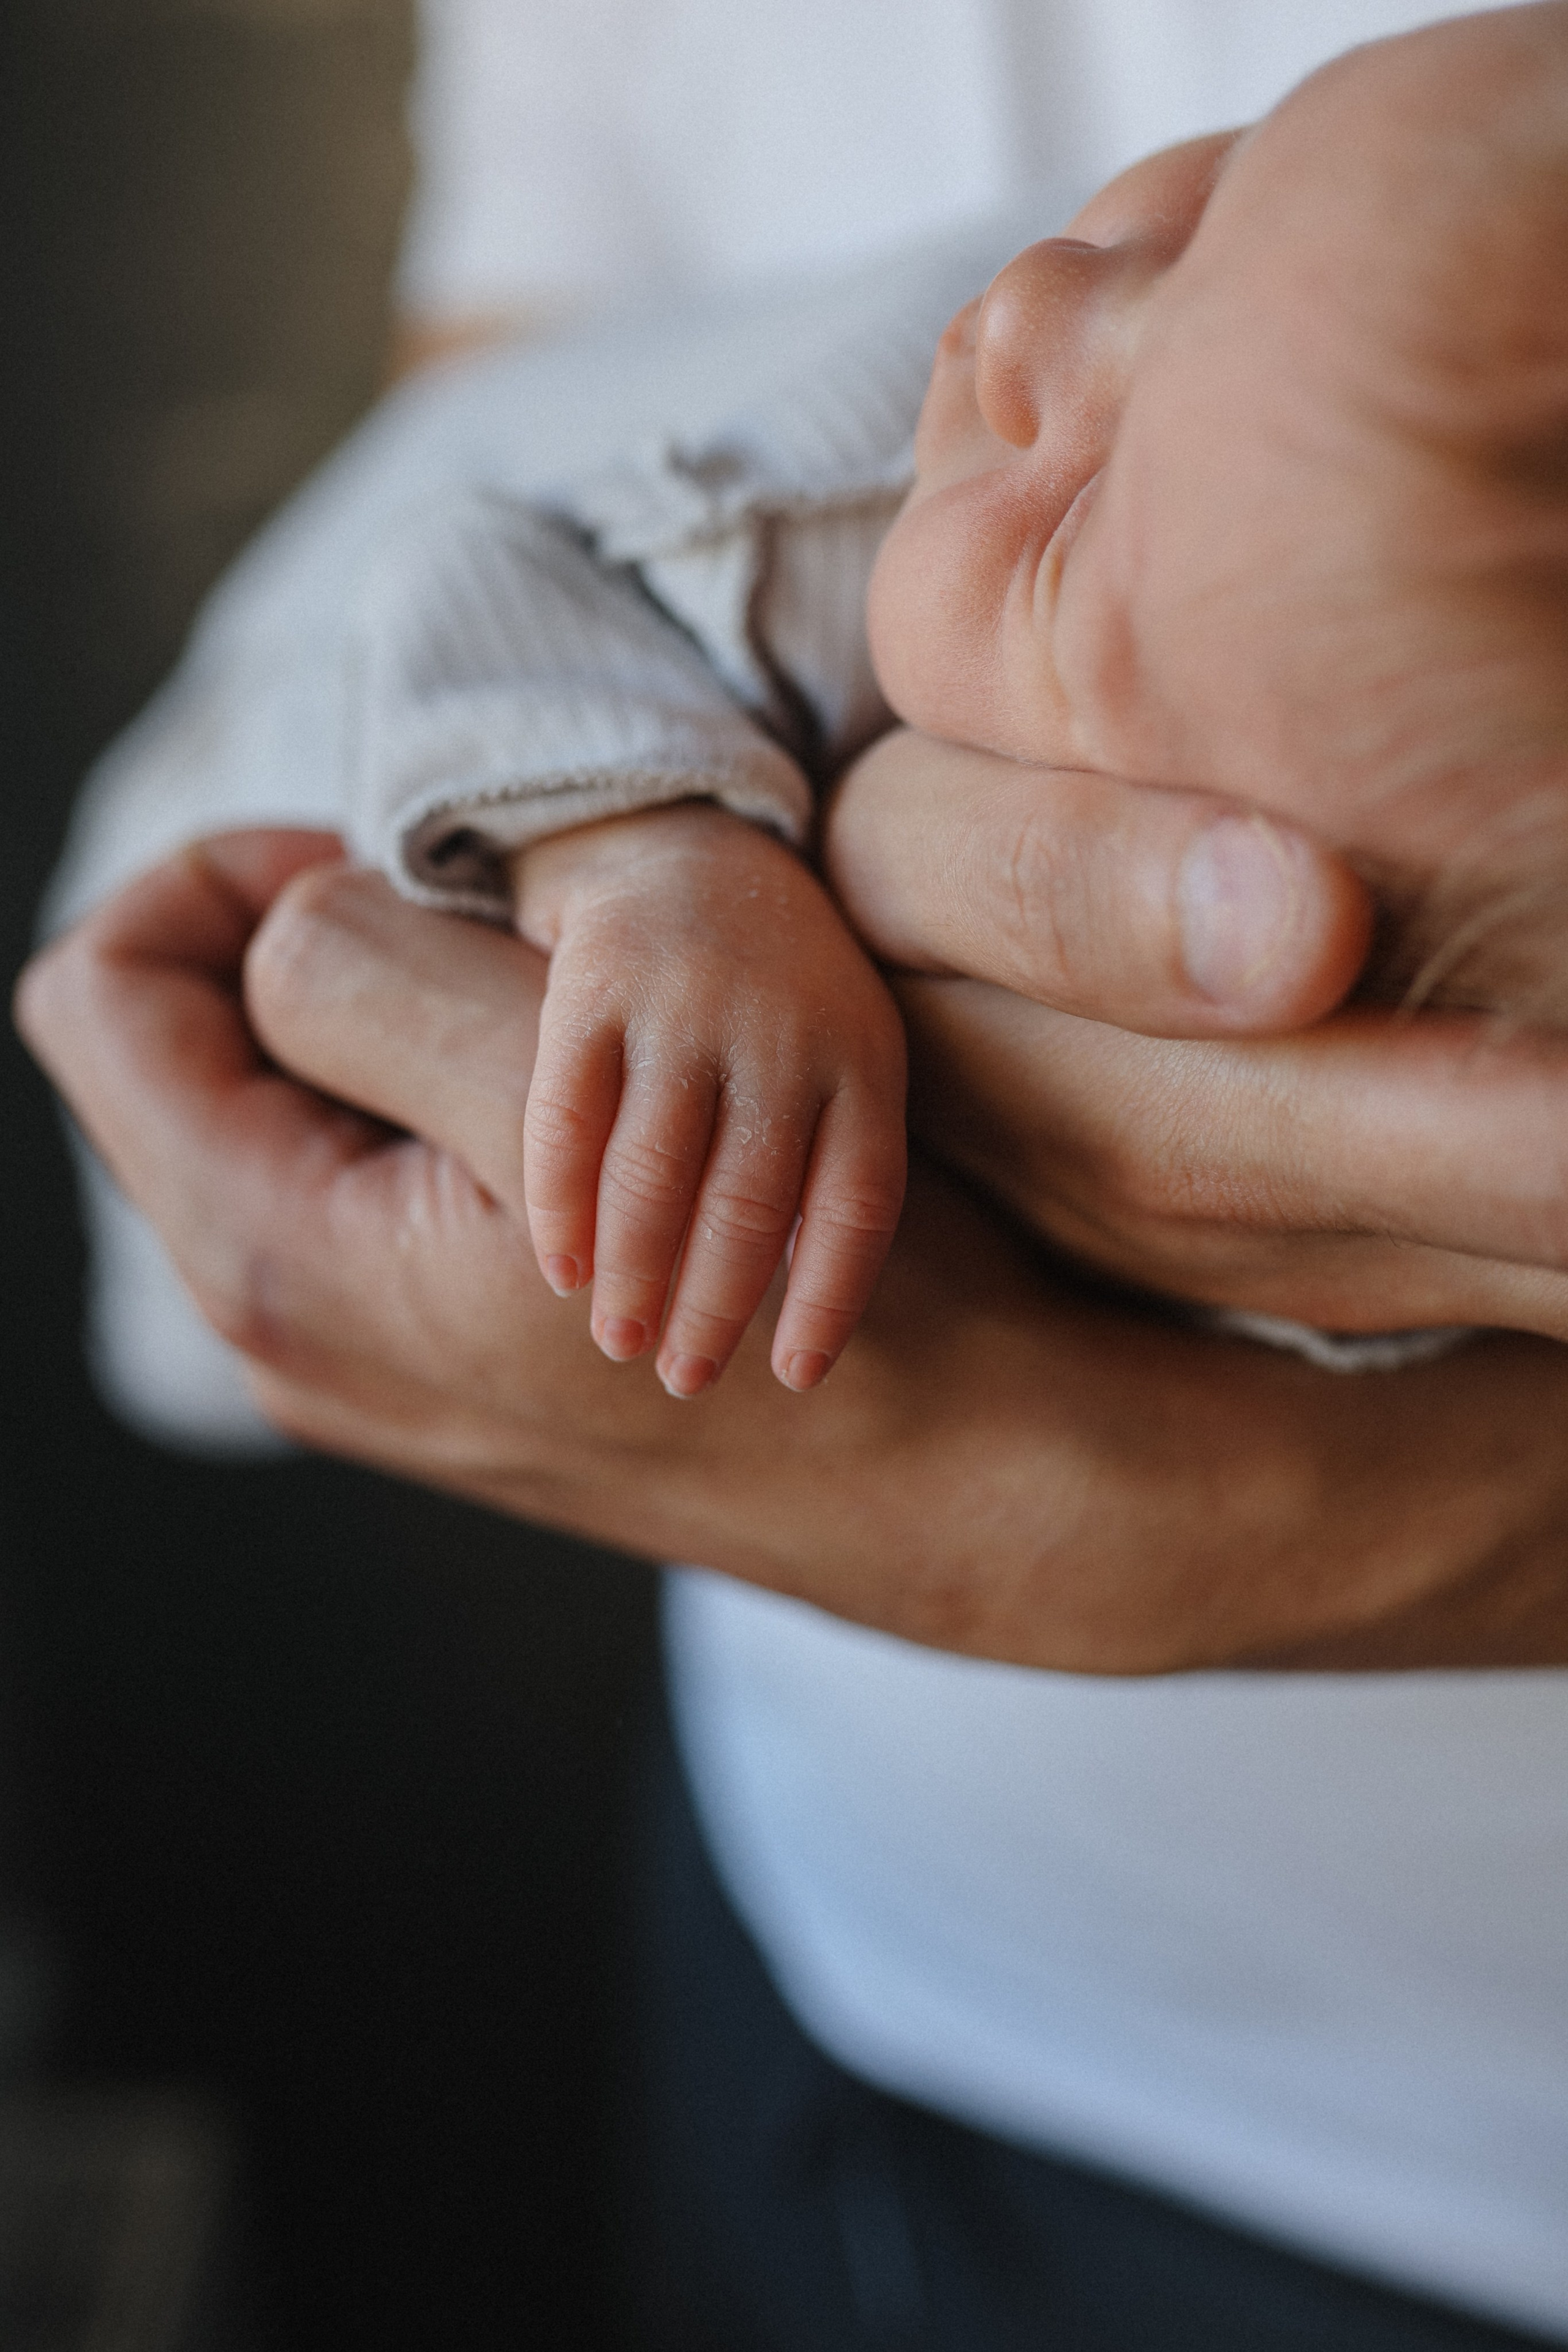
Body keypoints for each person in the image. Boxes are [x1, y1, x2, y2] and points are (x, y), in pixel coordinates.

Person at [18, 7, 1568, 2346]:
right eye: (1225, 183)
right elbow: (481, 559)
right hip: (900, 1941)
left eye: (1074, 556)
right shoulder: (923, 441)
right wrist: (654, 856)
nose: (1033, 326)